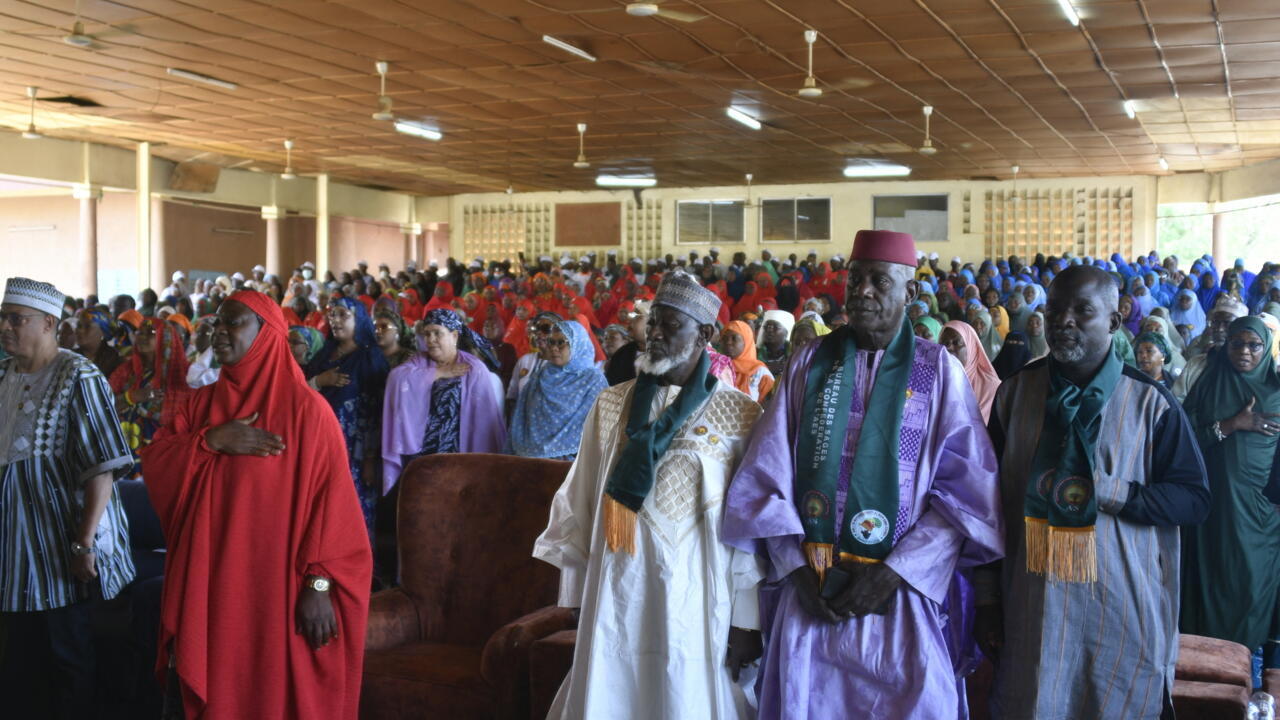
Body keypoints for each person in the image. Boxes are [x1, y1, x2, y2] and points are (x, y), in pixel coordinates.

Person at [722, 230, 1003, 718]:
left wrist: (896, 573)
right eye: (855, 280)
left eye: (879, 281)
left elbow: (966, 495)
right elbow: (766, 478)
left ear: (909, 294)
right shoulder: (810, 362)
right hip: (813, 594)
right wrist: (797, 569)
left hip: (900, 600)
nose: (863, 291)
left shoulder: (939, 372)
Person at [978, 264, 1209, 720]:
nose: (1065, 320)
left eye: (1083, 311)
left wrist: (1107, 491)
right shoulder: (1015, 394)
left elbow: (1194, 499)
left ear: (1114, 321)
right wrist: (987, 600)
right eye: (1056, 308)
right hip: (1032, 605)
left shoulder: (1150, 402)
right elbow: (986, 505)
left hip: (1120, 606)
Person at [533, 271, 766, 720]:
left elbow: (749, 529)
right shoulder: (611, 404)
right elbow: (580, 504)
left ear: (706, 334)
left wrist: (747, 620)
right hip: (616, 588)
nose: (655, 333)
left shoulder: (740, 414)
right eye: (653, 321)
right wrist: (578, 597)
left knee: (685, 692)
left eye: (670, 324)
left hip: (696, 595)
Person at [140, 290, 372, 720]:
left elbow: (333, 506)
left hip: (279, 582)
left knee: (270, 687)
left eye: (234, 323)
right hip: (212, 577)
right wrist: (208, 441)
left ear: (267, 335)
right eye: (217, 323)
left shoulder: (308, 411)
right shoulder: (200, 405)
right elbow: (156, 465)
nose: (220, 331)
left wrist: (319, 584)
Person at [0, 277, 136, 720]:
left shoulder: (79, 374)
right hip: (12, 550)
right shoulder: (4, 375)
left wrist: (84, 542)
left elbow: (103, 467)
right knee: (19, 662)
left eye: (15, 319)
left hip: (58, 548)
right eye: (2, 318)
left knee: (67, 657)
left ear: (48, 323)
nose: (4, 327)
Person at [1180, 316, 1280, 676]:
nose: (1244, 352)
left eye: (1254, 345)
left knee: (1252, 581)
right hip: (1212, 504)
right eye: (1237, 343)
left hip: (1259, 513)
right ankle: (1202, 669)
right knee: (1210, 579)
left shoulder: (1277, 387)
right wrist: (1231, 425)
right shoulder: (1209, 381)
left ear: (1266, 347)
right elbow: (1182, 433)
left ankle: (1245, 665)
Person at [380, 308, 506, 494]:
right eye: (427, 334)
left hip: (458, 456)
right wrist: (438, 373)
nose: (430, 340)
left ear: (454, 336)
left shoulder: (473, 368)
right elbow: (396, 378)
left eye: (437, 333)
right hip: (420, 458)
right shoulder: (419, 361)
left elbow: (483, 422)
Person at [305, 298, 389, 542]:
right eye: (332, 315)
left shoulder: (369, 357)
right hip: (319, 445)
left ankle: (357, 574)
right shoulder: (323, 356)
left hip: (355, 450)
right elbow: (301, 394)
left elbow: (376, 409)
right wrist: (320, 381)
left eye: (343, 315)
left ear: (359, 319)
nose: (335, 320)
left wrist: (370, 458)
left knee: (353, 511)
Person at [509, 320, 607, 460]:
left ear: (577, 344)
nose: (554, 348)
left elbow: (598, 427)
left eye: (561, 342)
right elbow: (522, 415)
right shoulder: (541, 375)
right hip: (530, 456)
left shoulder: (593, 380)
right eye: (551, 342)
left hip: (574, 461)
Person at [108, 317, 191, 474]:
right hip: (121, 453)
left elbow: (182, 424)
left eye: (150, 333)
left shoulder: (182, 377)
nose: (142, 337)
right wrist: (132, 397)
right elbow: (103, 405)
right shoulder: (125, 371)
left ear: (165, 339)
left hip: (162, 460)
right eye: (140, 332)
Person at [941, 319, 1001, 422]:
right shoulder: (937, 380)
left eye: (956, 342)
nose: (949, 348)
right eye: (945, 344)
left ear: (971, 346)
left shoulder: (991, 387)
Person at [721, 319, 775, 402]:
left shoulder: (761, 373)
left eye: (734, 338)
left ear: (746, 341)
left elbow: (769, 406)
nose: (728, 342)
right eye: (725, 338)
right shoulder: (717, 365)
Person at [605, 300, 649, 386]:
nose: (629, 322)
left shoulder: (666, 357)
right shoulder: (621, 354)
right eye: (632, 317)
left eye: (637, 317)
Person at [75, 307, 123, 377]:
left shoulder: (114, 359)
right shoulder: (70, 356)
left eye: (87, 326)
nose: (80, 330)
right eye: (79, 325)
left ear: (102, 332)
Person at [186, 315, 221, 388]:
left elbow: (193, 380)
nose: (197, 338)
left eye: (201, 334)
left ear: (214, 337)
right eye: (197, 333)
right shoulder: (193, 354)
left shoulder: (217, 360)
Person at [759, 309, 795, 377]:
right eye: (766, 326)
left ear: (786, 333)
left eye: (775, 327)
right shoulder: (755, 352)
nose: (769, 330)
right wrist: (767, 369)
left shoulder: (793, 354)